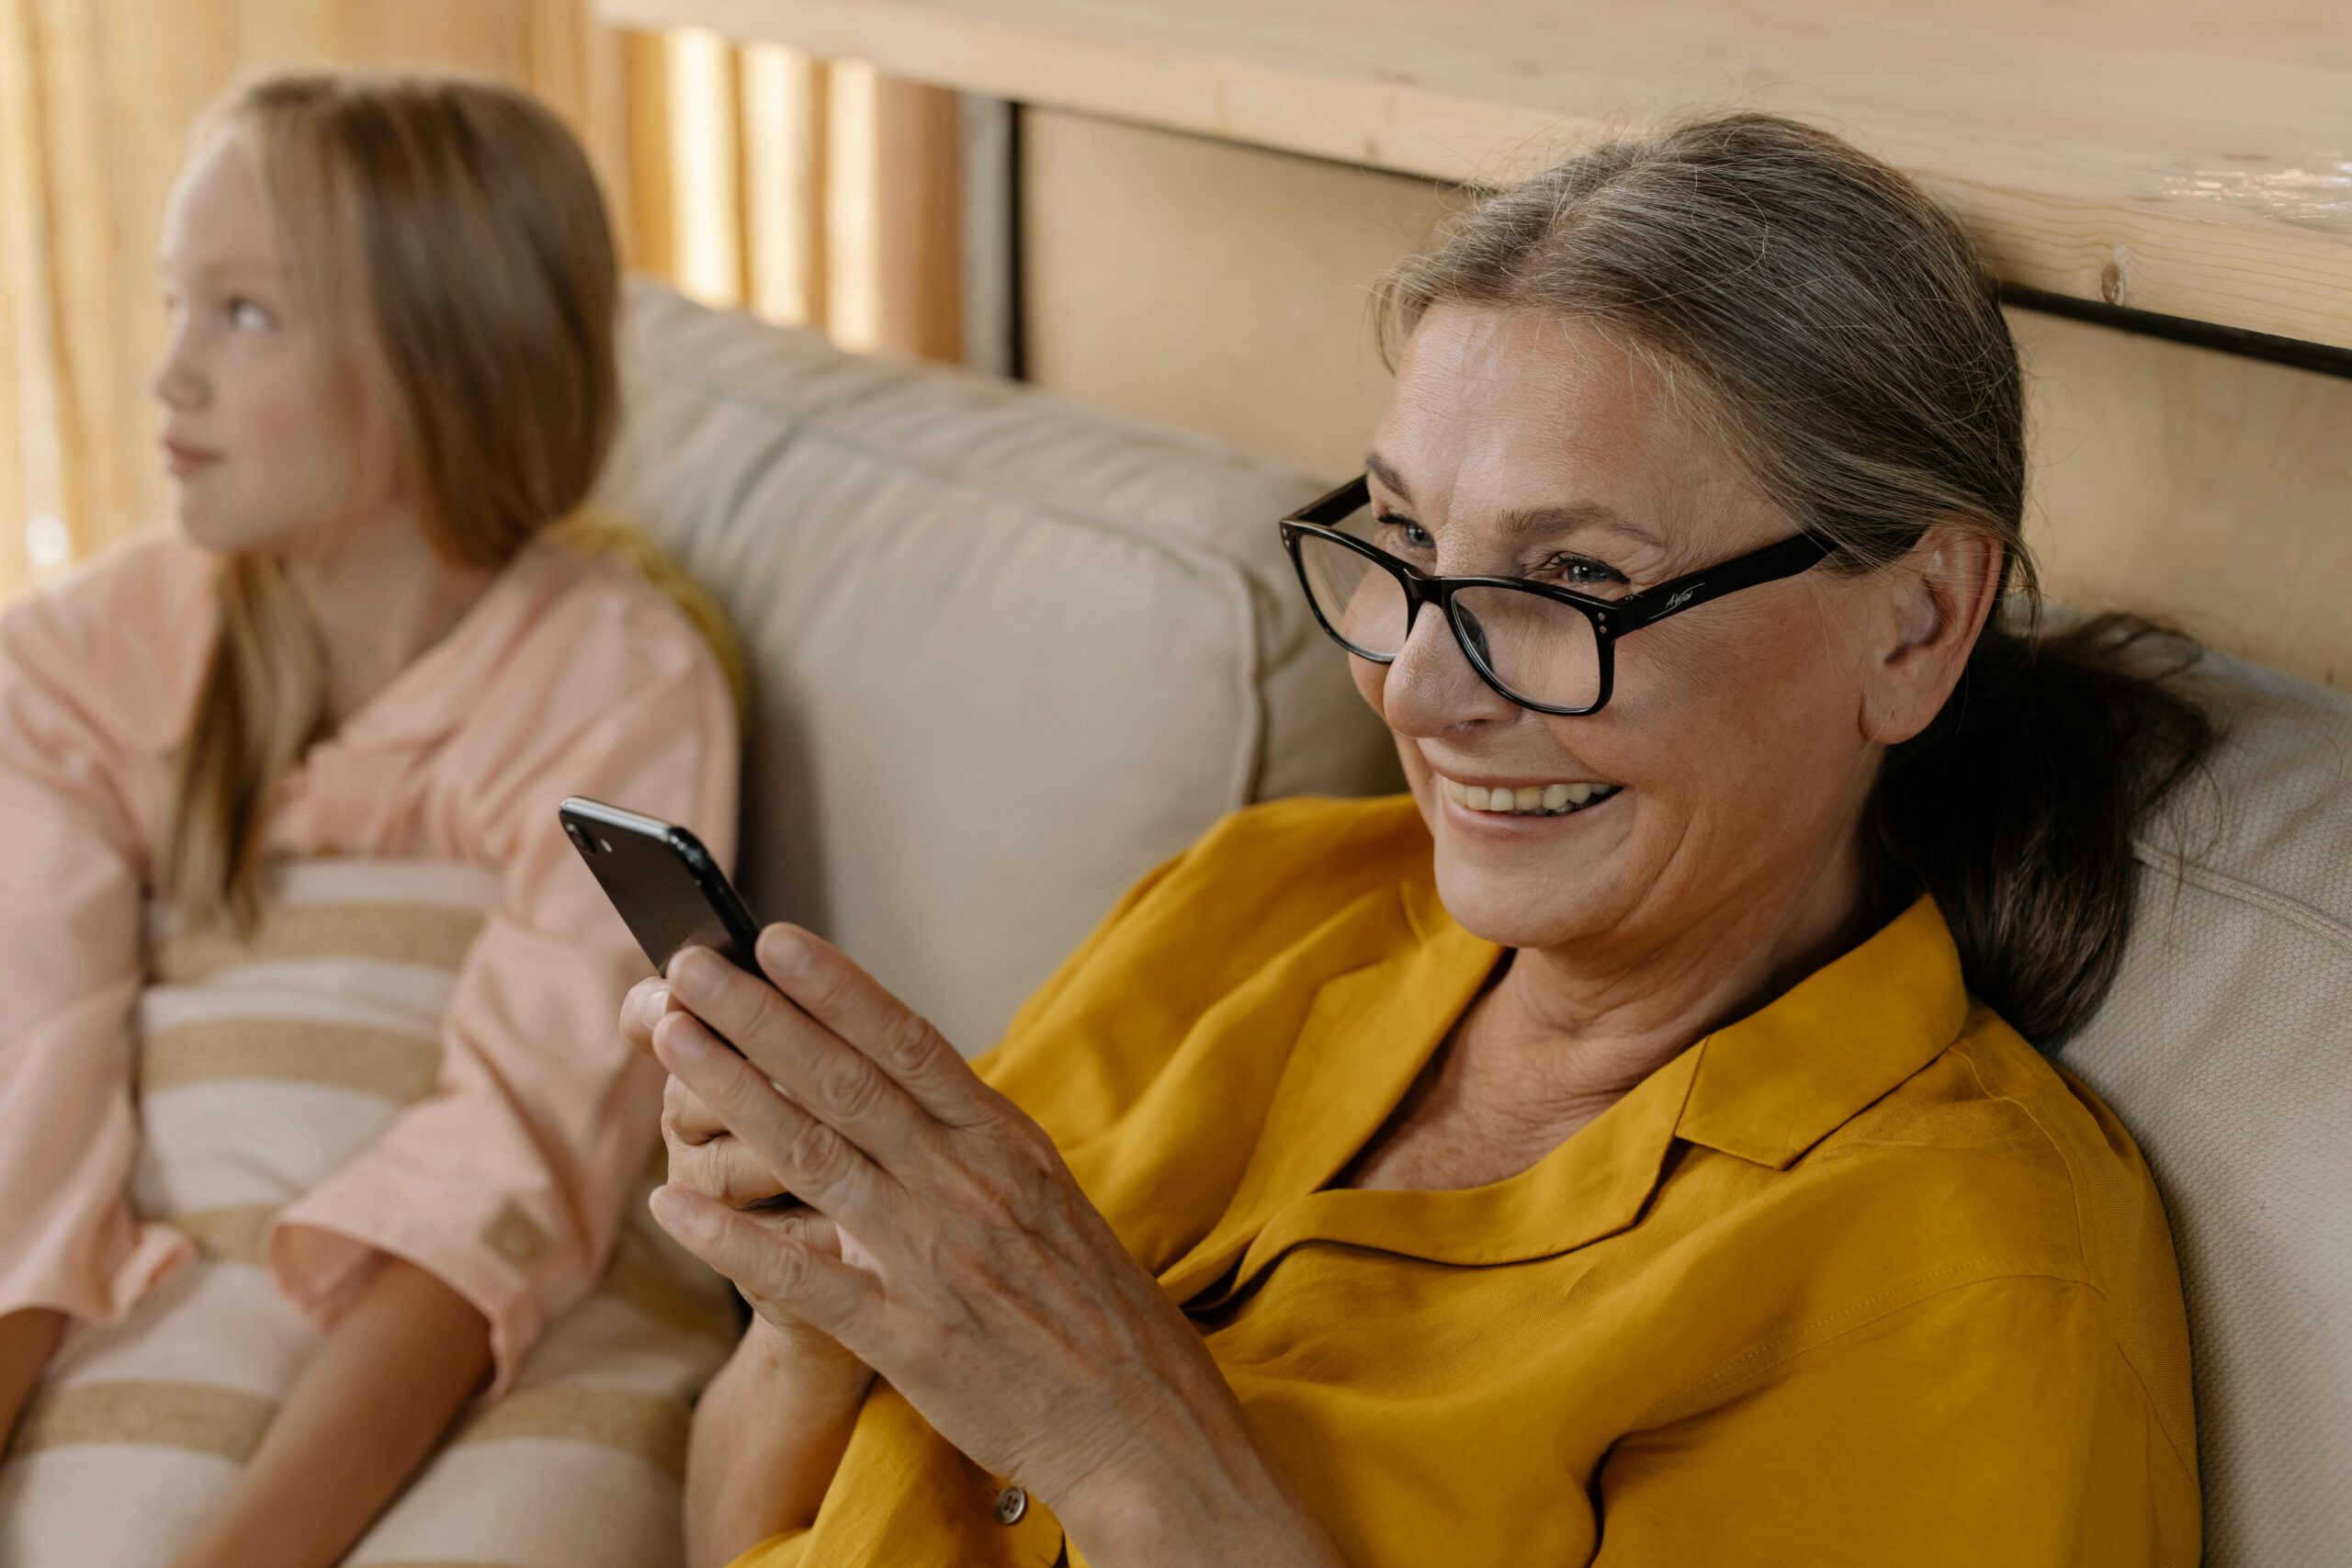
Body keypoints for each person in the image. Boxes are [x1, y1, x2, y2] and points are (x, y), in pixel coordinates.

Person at [629, 111, 2209, 1566]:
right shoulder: (1250, 901)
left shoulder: (1963, 1281)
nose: (1420, 685)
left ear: (1919, 624)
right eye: (1404, 541)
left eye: (1576, 579)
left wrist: (1114, 1430)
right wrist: (826, 1298)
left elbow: (1087, 1426)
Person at [0, 73, 740, 1566]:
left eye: (247, 315)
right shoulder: (70, 671)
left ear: (442, 363)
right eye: (172, 304)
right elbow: (26, 1100)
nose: (168, 379)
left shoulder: (620, 685)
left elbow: (515, 1161)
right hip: (155, 1286)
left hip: (480, 1329)